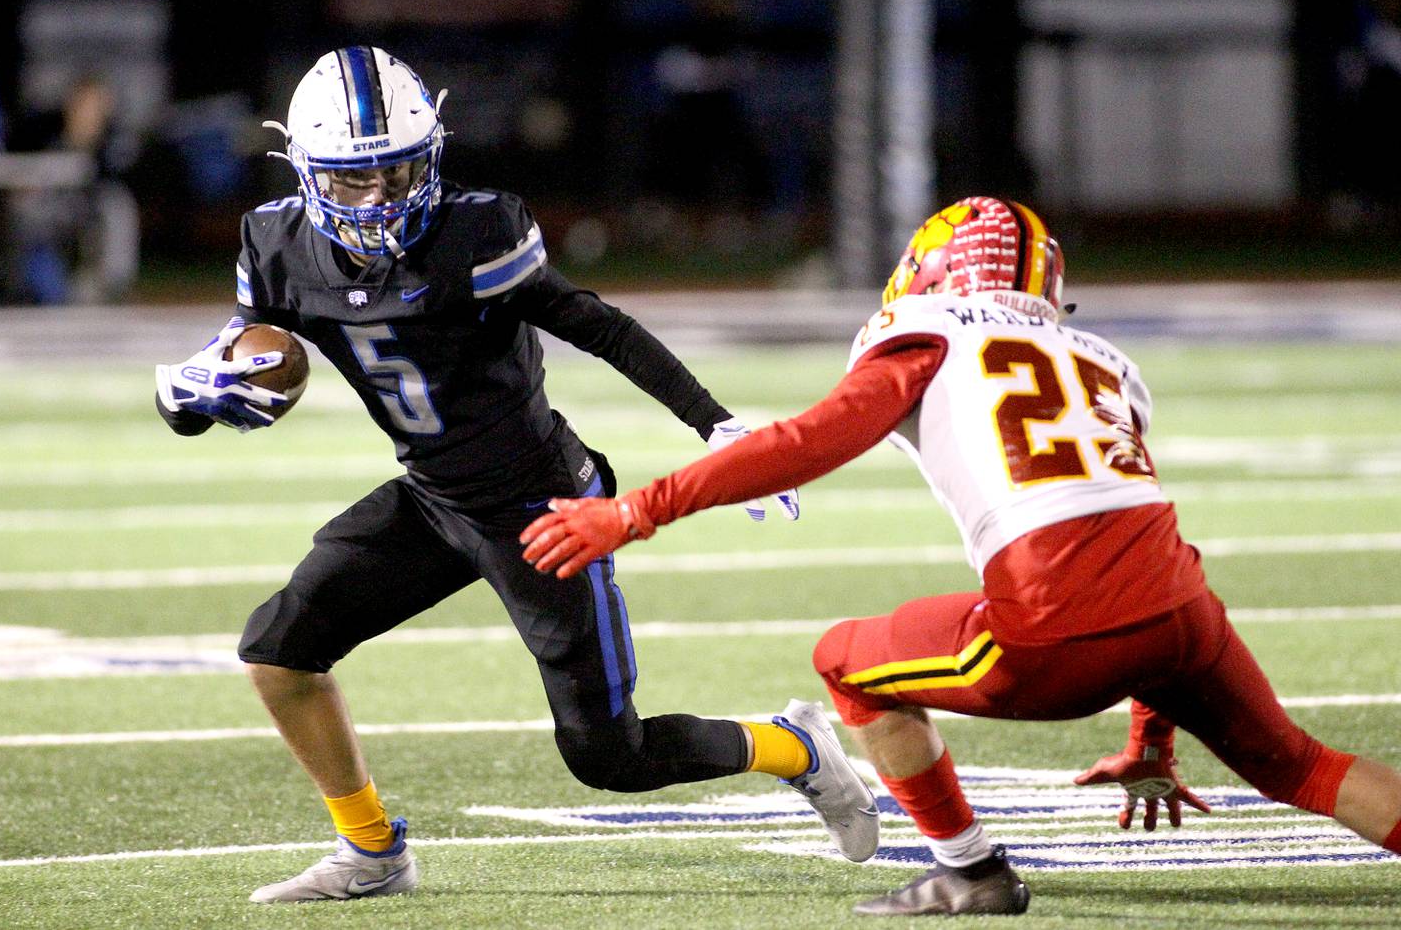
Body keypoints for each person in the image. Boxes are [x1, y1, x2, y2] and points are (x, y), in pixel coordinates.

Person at [520, 196, 1401, 917]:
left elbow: (815, 437)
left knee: (847, 663)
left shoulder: (930, 332)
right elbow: (1132, 533)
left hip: (1058, 619)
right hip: (1182, 611)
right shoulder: (1101, 360)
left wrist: (635, 510)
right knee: (1301, 763)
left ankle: (971, 870)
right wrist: (1151, 733)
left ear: (935, 267)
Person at [153, 46, 878, 904]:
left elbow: (594, 324)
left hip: (545, 505)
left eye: (397, 173)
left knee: (610, 757)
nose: (381, 199)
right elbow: (243, 364)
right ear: (309, 172)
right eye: (356, 180)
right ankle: (372, 849)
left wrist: (716, 425)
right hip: (431, 496)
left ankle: (795, 746)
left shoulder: (477, 231)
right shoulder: (274, 245)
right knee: (279, 650)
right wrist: (183, 395)